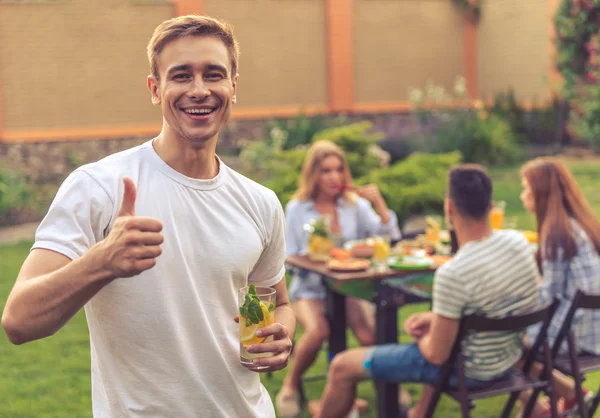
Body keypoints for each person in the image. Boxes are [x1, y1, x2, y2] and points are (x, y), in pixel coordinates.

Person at [1, 15, 295, 418]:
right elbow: (19, 321)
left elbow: (279, 302)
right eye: (181, 76)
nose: (199, 90)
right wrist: (102, 262)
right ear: (155, 90)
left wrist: (283, 335)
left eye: (213, 74)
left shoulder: (260, 202)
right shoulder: (99, 186)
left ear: (233, 87)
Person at [309, 164, 540, 418]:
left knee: (342, 366)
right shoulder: (518, 244)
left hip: (465, 370)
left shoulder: (453, 273)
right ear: (491, 206)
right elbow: (498, 304)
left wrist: (425, 337)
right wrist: (436, 320)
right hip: (508, 359)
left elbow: (435, 354)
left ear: (449, 209)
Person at [275, 140, 401, 417]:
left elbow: (388, 239)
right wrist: (319, 257)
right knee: (319, 331)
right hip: (310, 288)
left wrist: (379, 205)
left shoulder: (354, 205)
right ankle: (291, 384)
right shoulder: (297, 208)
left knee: (369, 334)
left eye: (338, 170)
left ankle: (387, 389)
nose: (334, 177)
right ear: (313, 175)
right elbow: (290, 255)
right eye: (325, 171)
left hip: (350, 287)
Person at [520, 157, 600, 414]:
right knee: (514, 346)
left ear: (540, 194)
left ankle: (547, 408)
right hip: (595, 331)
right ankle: (569, 397)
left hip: (574, 335)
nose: (522, 195)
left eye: (525, 188)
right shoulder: (583, 226)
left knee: (505, 345)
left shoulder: (556, 234)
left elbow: (548, 300)